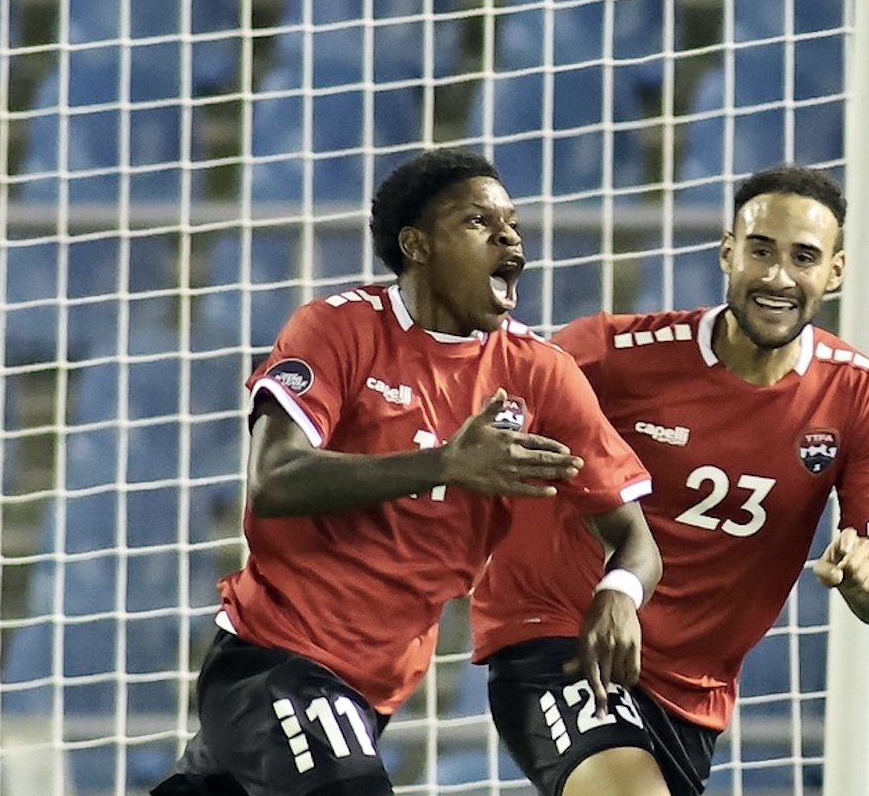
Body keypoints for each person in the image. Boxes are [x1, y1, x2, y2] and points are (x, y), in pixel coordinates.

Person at [151, 147, 662, 796]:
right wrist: (445, 463)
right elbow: (275, 478)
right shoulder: (336, 329)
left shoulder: (539, 373)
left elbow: (634, 536)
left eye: (513, 226)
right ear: (416, 245)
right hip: (272, 660)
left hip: (374, 690)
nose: (507, 238)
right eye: (479, 222)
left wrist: (620, 592)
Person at [470, 165, 869, 796]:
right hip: (564, 632)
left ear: (834, 272)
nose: (777, 277)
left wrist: (868, 579)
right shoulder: (612, 354)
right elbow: (483, 408)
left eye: (804, 257)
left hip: (690, 694)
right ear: (728, 254)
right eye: (760, 250)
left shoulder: (857, 397)